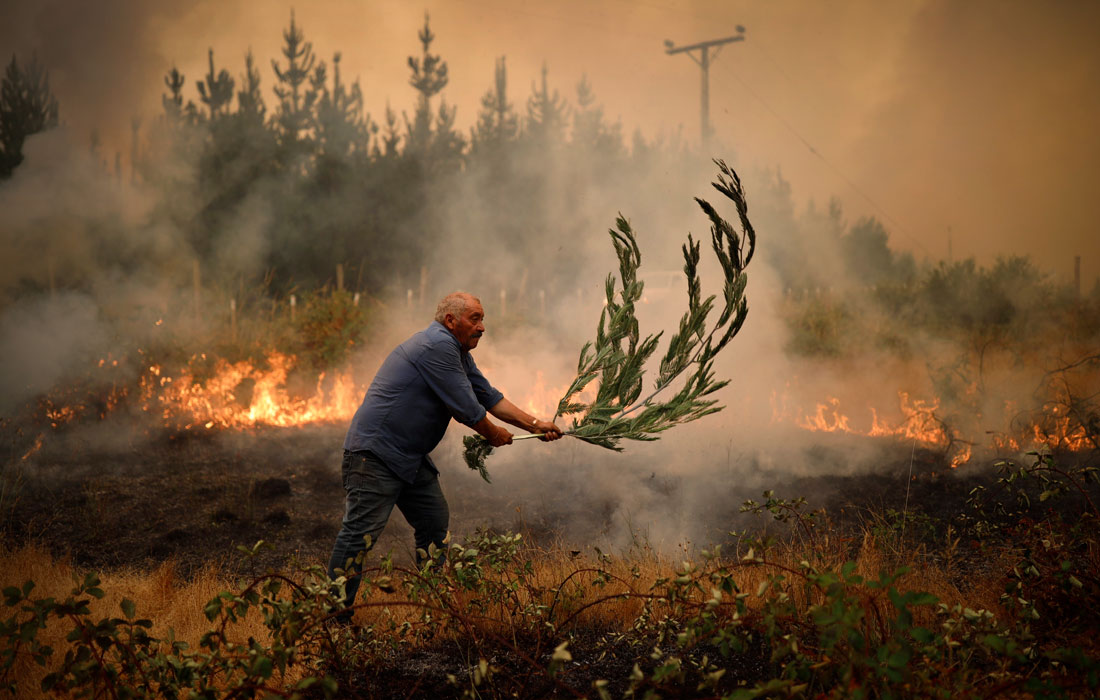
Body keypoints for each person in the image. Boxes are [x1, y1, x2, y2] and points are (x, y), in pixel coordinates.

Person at [326, 291, 563, 622]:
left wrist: (536, 425)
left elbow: (489, 397)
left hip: (409, 457)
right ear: (451, 321)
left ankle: (431, 608)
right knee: (359, 537)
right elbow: (467, 408)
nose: (482, 327)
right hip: (376, 453)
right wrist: (493, 434)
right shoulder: (437, 345)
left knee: (433, 522)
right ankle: (333, 619)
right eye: (475, 319)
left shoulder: (458, 352)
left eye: (483, 319)